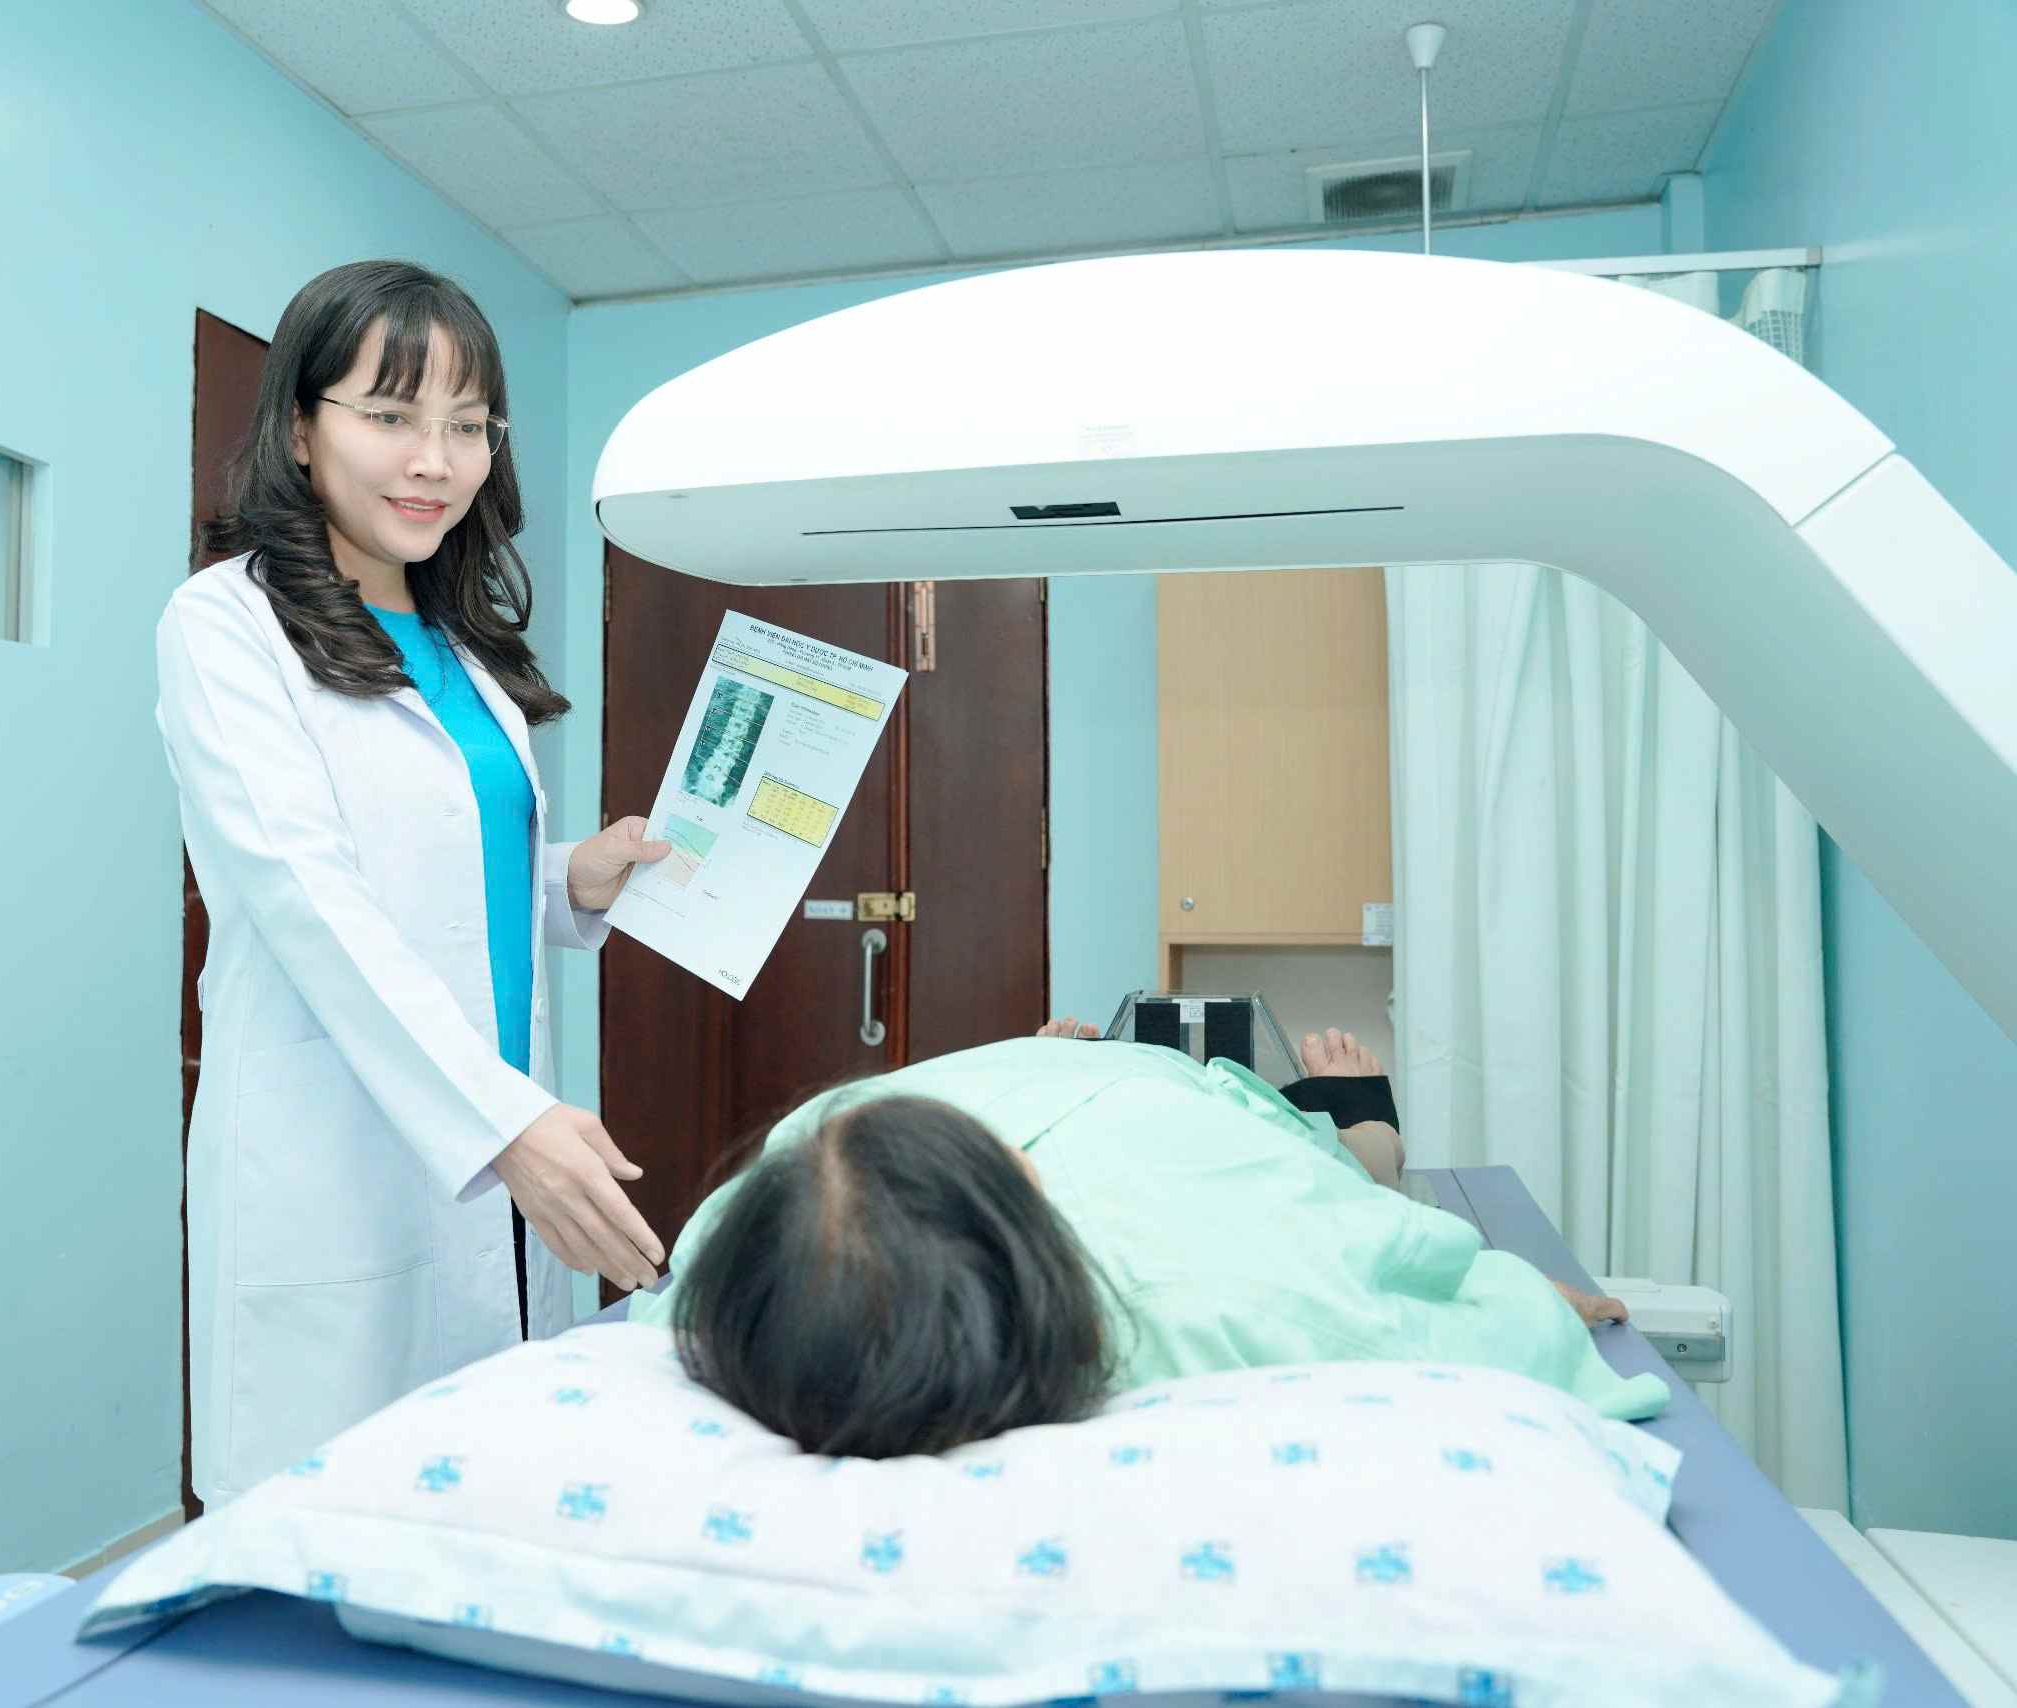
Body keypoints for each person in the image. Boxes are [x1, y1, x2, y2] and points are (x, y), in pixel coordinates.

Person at [157, 259, 667, 1507]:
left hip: (487, 1149)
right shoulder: (226, 624)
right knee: (321, 1554)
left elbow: (439, 878)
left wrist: (573, 883)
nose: (433, 458)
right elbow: (303, 893)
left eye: (466, 423)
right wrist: (501, 1122)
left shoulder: (461, 647)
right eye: (389, 415)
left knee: (482, 1516)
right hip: (343, 1164)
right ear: (298, 427)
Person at [631, 1025, 1656, 1460]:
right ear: (1023, 1191)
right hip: (1173, 1121)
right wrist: (1509, 1287)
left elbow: (662, 1298)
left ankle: (1028, 1059)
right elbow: (1473, 1322)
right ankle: (1363, 1118)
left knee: (854, 1119)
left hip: (981, 1084)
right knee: (1350, 1167)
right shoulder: (1220, 1302)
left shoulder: (738, 1245)